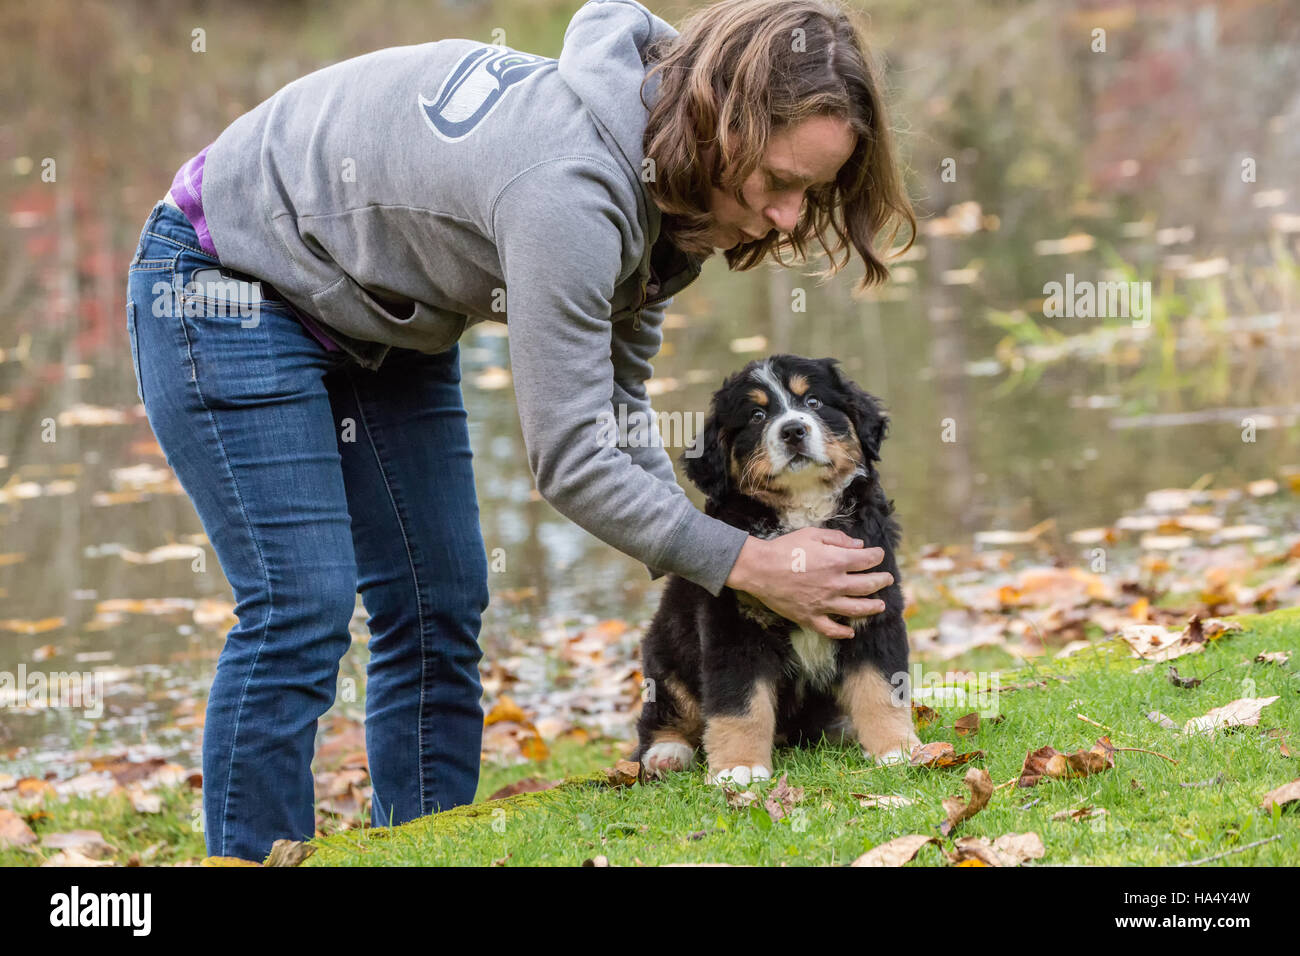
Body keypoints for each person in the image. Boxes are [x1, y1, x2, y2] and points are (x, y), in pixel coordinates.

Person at [123, 0, 915, 862]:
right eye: (781, 182)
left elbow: (617, 408)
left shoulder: (670, 186)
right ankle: (247, 858)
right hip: (224, 280)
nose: (793, 218)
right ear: (724, 125)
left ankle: (420, 852)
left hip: (387, 316)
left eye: (814, 192)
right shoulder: (570, 195)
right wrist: (746, 564)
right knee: (300, 608)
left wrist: (724, 559)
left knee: (438, 603)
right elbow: (572, 457)